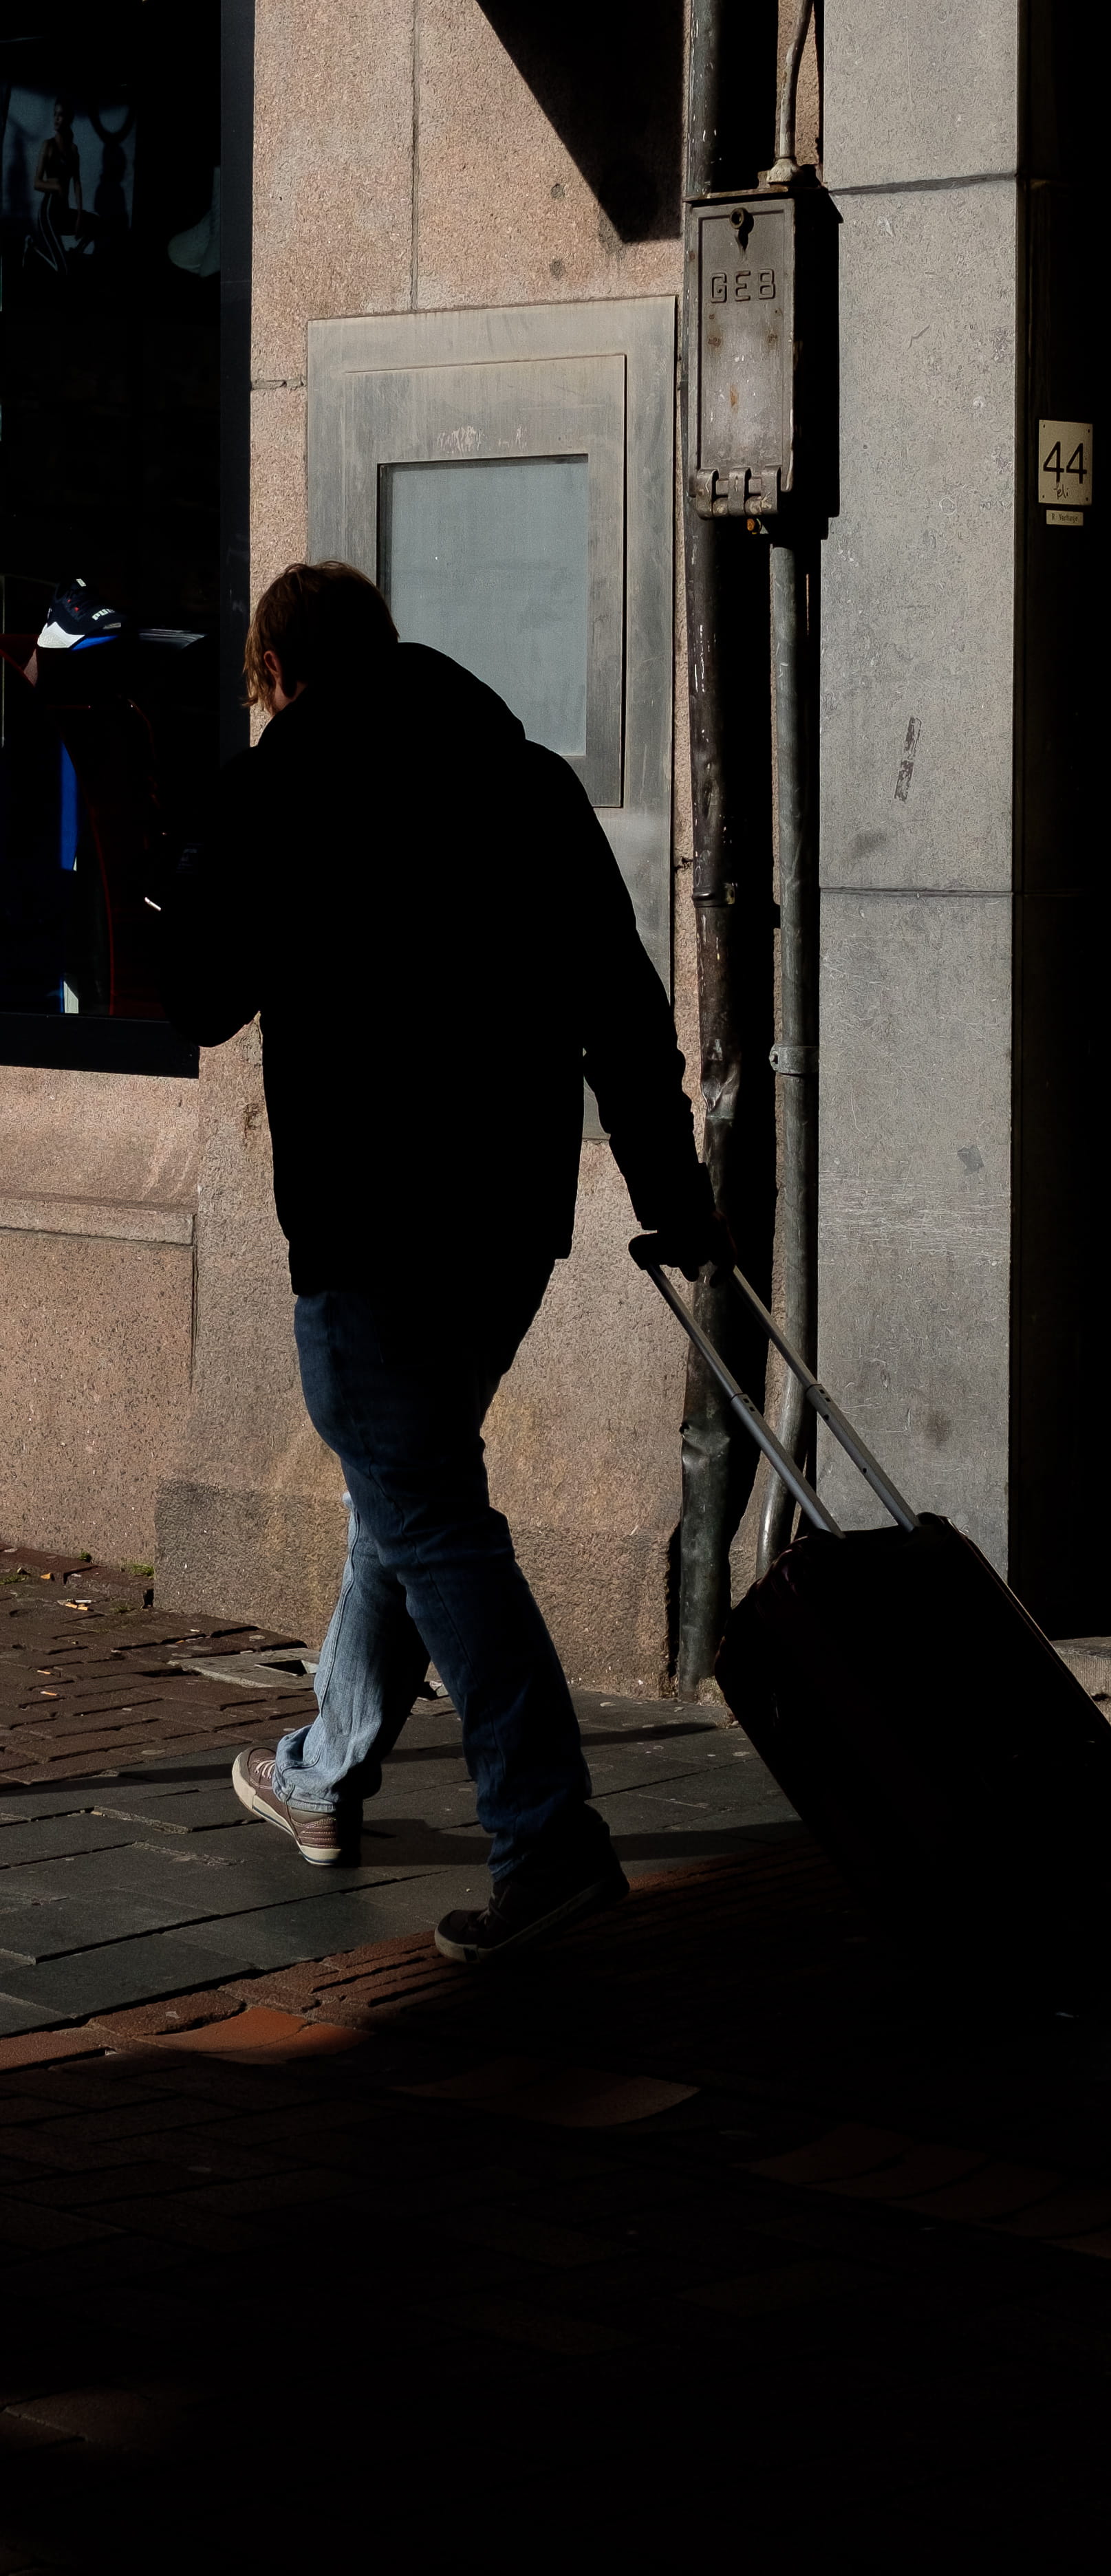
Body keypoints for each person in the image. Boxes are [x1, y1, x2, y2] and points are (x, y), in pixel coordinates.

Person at [158, 561, 722, 1963]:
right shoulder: (523, 782)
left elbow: (198, 997)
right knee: (405, 1493)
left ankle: (549, 1838)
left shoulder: (284, 789)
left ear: (280, 670)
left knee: (428, 1517)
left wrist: (190, 862)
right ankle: (323, 1770)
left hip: (364, 1221)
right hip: (506, 1223)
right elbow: (624, 1010)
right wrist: (673, 1193)